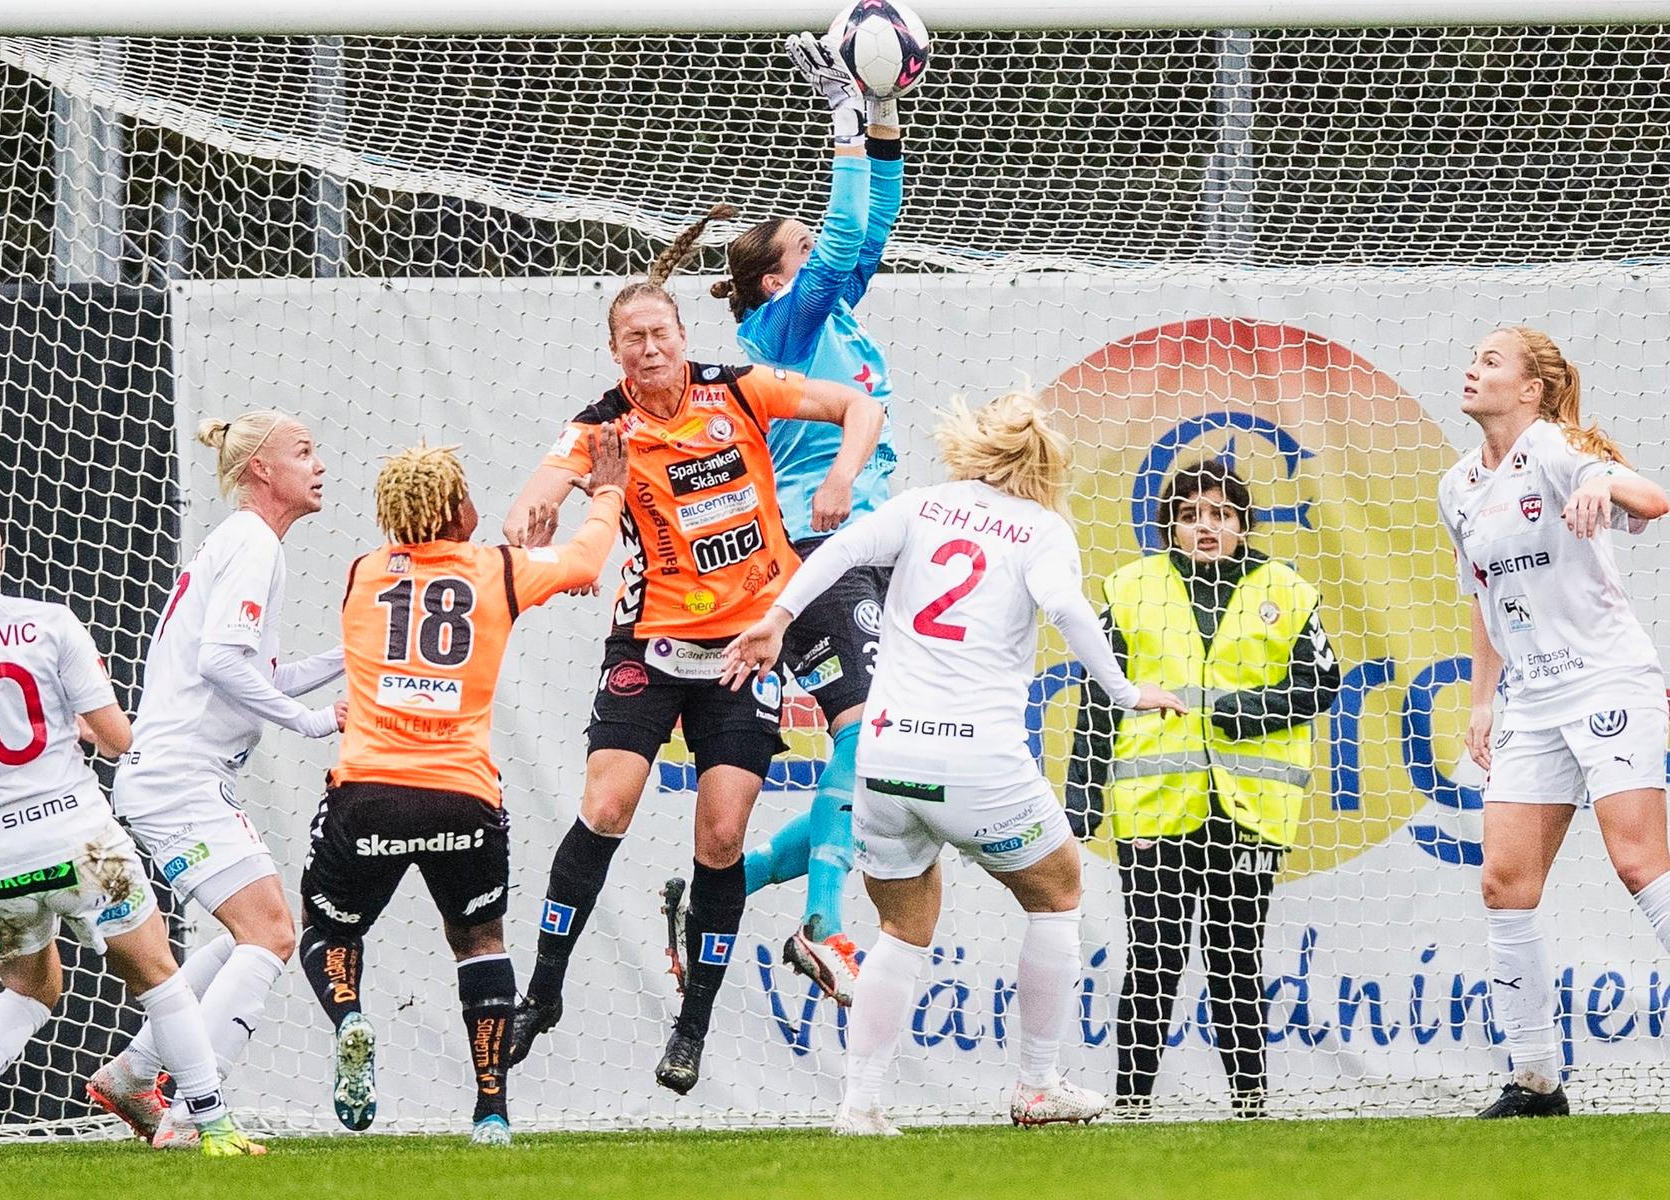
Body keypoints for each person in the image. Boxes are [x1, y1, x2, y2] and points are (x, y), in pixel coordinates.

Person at [719, 390, 1184, 1135]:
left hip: (886, 752)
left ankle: (859, 1106)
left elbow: (835, 549)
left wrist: (774, 619)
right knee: (1059, 890)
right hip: (975, 759)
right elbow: (1064, 609)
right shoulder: (1042, 529)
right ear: (1044, 466)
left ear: (973, 449)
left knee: (902, 928)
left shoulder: (924, 504)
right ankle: (1036, 1086)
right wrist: (1125, 690)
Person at [502, 224, 884, 1094]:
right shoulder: (606, 424)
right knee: (607, 802)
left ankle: (691, 1026)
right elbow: (547, 481)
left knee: (721, 835)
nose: (650, 349)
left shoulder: (737, 388)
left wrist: (839, 482)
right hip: (649, 643)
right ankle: (543, 993)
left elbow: (860, 406)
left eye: (661, 334)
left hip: (747, 646)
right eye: (633, 340)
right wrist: (535, 512)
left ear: (683, 338)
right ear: (617, 352)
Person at [0, 484, 260, 1159]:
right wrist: (76, 723)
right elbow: (117, 739)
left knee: (29, 986)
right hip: (82, 842)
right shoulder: (47, 622)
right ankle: (214, 1128)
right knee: (159, 973)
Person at [296, 431, 628, 1146]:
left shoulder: (361, 571)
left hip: (369, 792)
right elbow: (585, 560)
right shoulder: (495, 571)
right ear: (455, 510)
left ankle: (350, 1016)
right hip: (463, 796)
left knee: (328, 930)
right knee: (479, 940)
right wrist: (605, 490)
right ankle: (491, 1113)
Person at [675, 26, 909, 1005]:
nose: (824, 256)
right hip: (816, 551)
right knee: (858, 726)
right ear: (775, 278)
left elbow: (873, 227)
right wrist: (845, 116)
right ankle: (822, 925)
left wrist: (886, 114)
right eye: (803, 251)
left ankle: (707, 905)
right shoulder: (779, 326)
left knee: (888, 764)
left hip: (880, 545)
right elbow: (848, 234)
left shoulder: (835, 313)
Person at [87, 412, 346, 1147]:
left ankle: (135, 1076)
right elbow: (221, 665)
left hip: (178, 777)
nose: (318, 464)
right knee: (269, 932)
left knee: (248, 935)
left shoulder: (242, 543)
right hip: (178, 778)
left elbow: (253, 669)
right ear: (261, 469)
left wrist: (347, 656)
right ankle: (192, 1116)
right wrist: (313, 722)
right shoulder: (253, 542)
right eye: (304, 451)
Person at [1065, 458, 1342, 1120]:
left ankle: (1250, 1105)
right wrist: (1083, 797)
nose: (1206, 527)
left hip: (1249, 809)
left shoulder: (1286, 590)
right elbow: (1099, 700)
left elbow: (1322, 684)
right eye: (1190, 516)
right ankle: (1132, 1107)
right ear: (1170, 528)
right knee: (1154, 957)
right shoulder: (1131, 589)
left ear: (1244, 524)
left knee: (1236, 957)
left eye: (1221, 514)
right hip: (1154, 809)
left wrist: (1239, 713)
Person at [1440, 326, 1670, 1118]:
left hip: (1608, 681)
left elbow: (1655, 498)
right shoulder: (1458, 485)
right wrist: (1481, 700)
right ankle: (1535, 1081)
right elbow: (1483, 597)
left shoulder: (1558, 445)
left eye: (1491, 360)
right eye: (1472, 358)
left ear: (1531, 388)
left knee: (1639, 864)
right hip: (1530, 701)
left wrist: (1601, 487)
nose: (1473, 369)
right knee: (1505, 884)